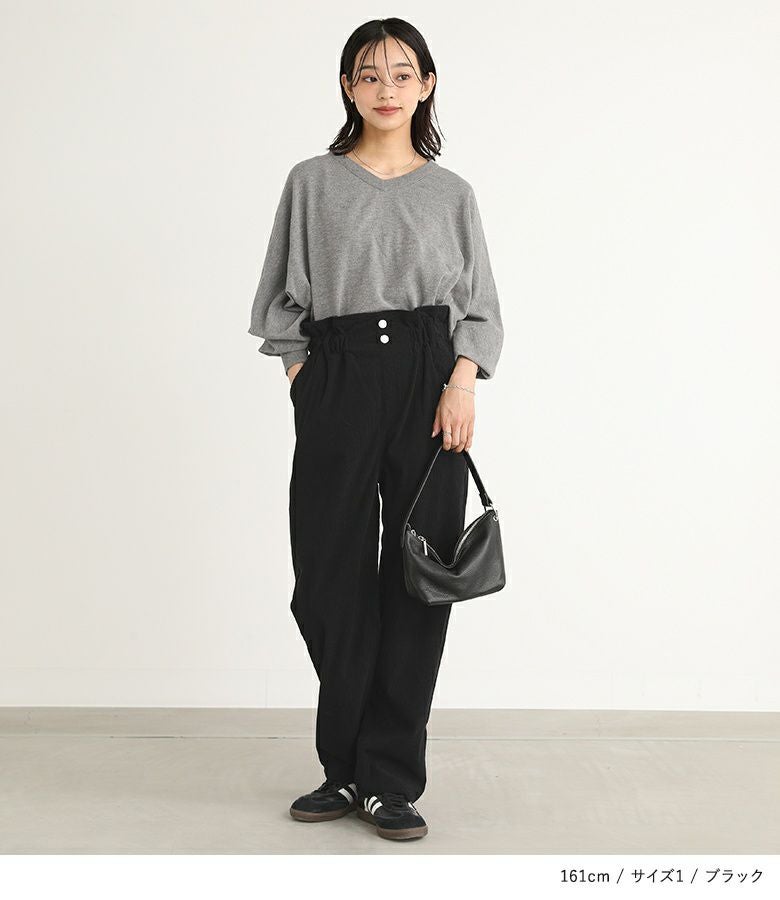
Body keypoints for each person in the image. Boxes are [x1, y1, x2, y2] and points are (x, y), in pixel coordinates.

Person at [247, 18, 503, 841]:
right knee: (328, 577)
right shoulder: (313, 182)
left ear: (426, 85)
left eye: (401, 73)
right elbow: (281, 299)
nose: (386, 88)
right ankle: (344, 766)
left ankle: (389, 778)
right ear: (347, 87)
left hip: (431, 378)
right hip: (340, 372)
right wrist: (305, 377)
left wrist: (461, 383)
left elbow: (480, 308)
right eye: (368, 73)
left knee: (418, 578)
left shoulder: (452, 193)